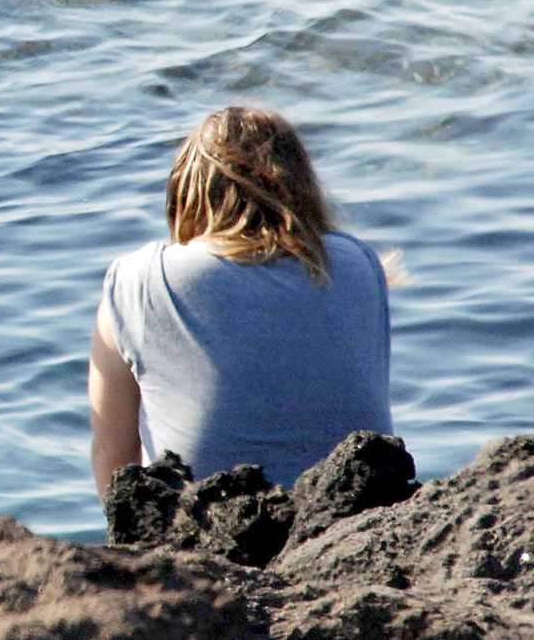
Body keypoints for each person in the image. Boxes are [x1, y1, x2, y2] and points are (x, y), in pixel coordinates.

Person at [88, 107, 393, 495]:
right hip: (358, 505)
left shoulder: (139, 279)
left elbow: (112, 454)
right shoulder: (359, 264)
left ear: (186, 192)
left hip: (207, 517)